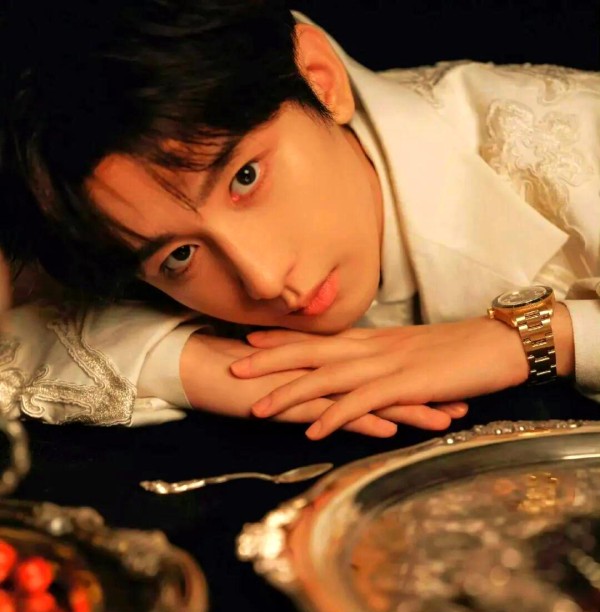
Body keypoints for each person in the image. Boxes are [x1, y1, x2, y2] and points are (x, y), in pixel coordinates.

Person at [0, 0, 599, 439]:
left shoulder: (575, 135)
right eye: (179, 256)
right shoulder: (107, 212)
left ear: (318, 77)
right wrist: (201, 367)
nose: (263, 280)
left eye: (245, 178)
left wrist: (537, 338)